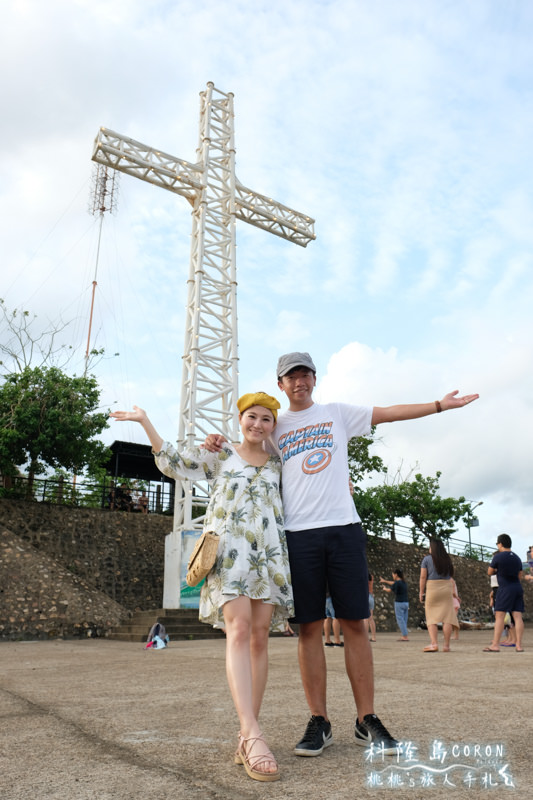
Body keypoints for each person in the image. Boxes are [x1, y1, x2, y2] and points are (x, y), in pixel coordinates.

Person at [206, 351, 478, 756]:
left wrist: (439, 406)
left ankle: (366, 718)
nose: (299, 381)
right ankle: (320, 720)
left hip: (344, 530)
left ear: (315, 379)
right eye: (291, 376)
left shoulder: (336, 413)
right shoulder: (275, 426)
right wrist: (215, 442)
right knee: (310, 628)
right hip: (298, 536)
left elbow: (388, 413)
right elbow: (244, 447)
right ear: (281, 384)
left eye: (305, 375)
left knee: (354, 623)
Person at [110, 393, 294, 782]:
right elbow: (175, 464)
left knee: (261, 637)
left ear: (273, 426)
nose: (257, 424)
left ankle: (246, 733)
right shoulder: (220, 453)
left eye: (266, 419)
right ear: (239, 419)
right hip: (229, 555)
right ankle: (255, 733)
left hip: (269, 556)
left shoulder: (279, 460)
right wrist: (145, 422)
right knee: (239, 631)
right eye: (251, 417)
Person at [484, 534, 524, 653]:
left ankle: (495, 645)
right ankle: (518, 645)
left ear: (500, 544)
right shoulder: (517, 557)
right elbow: (520, 575)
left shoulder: (499, 557)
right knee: (517, 616)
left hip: (505, 588)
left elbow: (489, 572)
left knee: (500, 616)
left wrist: (498, 570)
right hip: (517, 587)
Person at [419, 538, 459, 652]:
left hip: (432, 588)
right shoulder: (447, 560)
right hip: (446, 588)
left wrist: (421, 592)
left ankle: (434, 644)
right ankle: (446, 646)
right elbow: (451, 574)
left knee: (431, 617)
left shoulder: (427, 559)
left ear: (433, 548)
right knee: (447, 618)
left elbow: (423, 577)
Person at [380, 569, 409, 641]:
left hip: (399, 603)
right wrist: (385, 581)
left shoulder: (397, 583)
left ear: (396, 574)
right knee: (404, 620)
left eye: (393, 574)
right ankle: (404, 634)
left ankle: (405, 636)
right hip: (406, 603)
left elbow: (390, 590)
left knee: (400, 619)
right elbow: (393, 583)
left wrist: (384, 588)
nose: (392, 576)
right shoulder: (403, 582)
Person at [367, 573, 377, 642]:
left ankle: (365, 636)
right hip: (371, 596)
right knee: (370, 619)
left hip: (365, 596)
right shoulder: (371, 576)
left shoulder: (362, 576)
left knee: (364, 619)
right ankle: (373, 637)